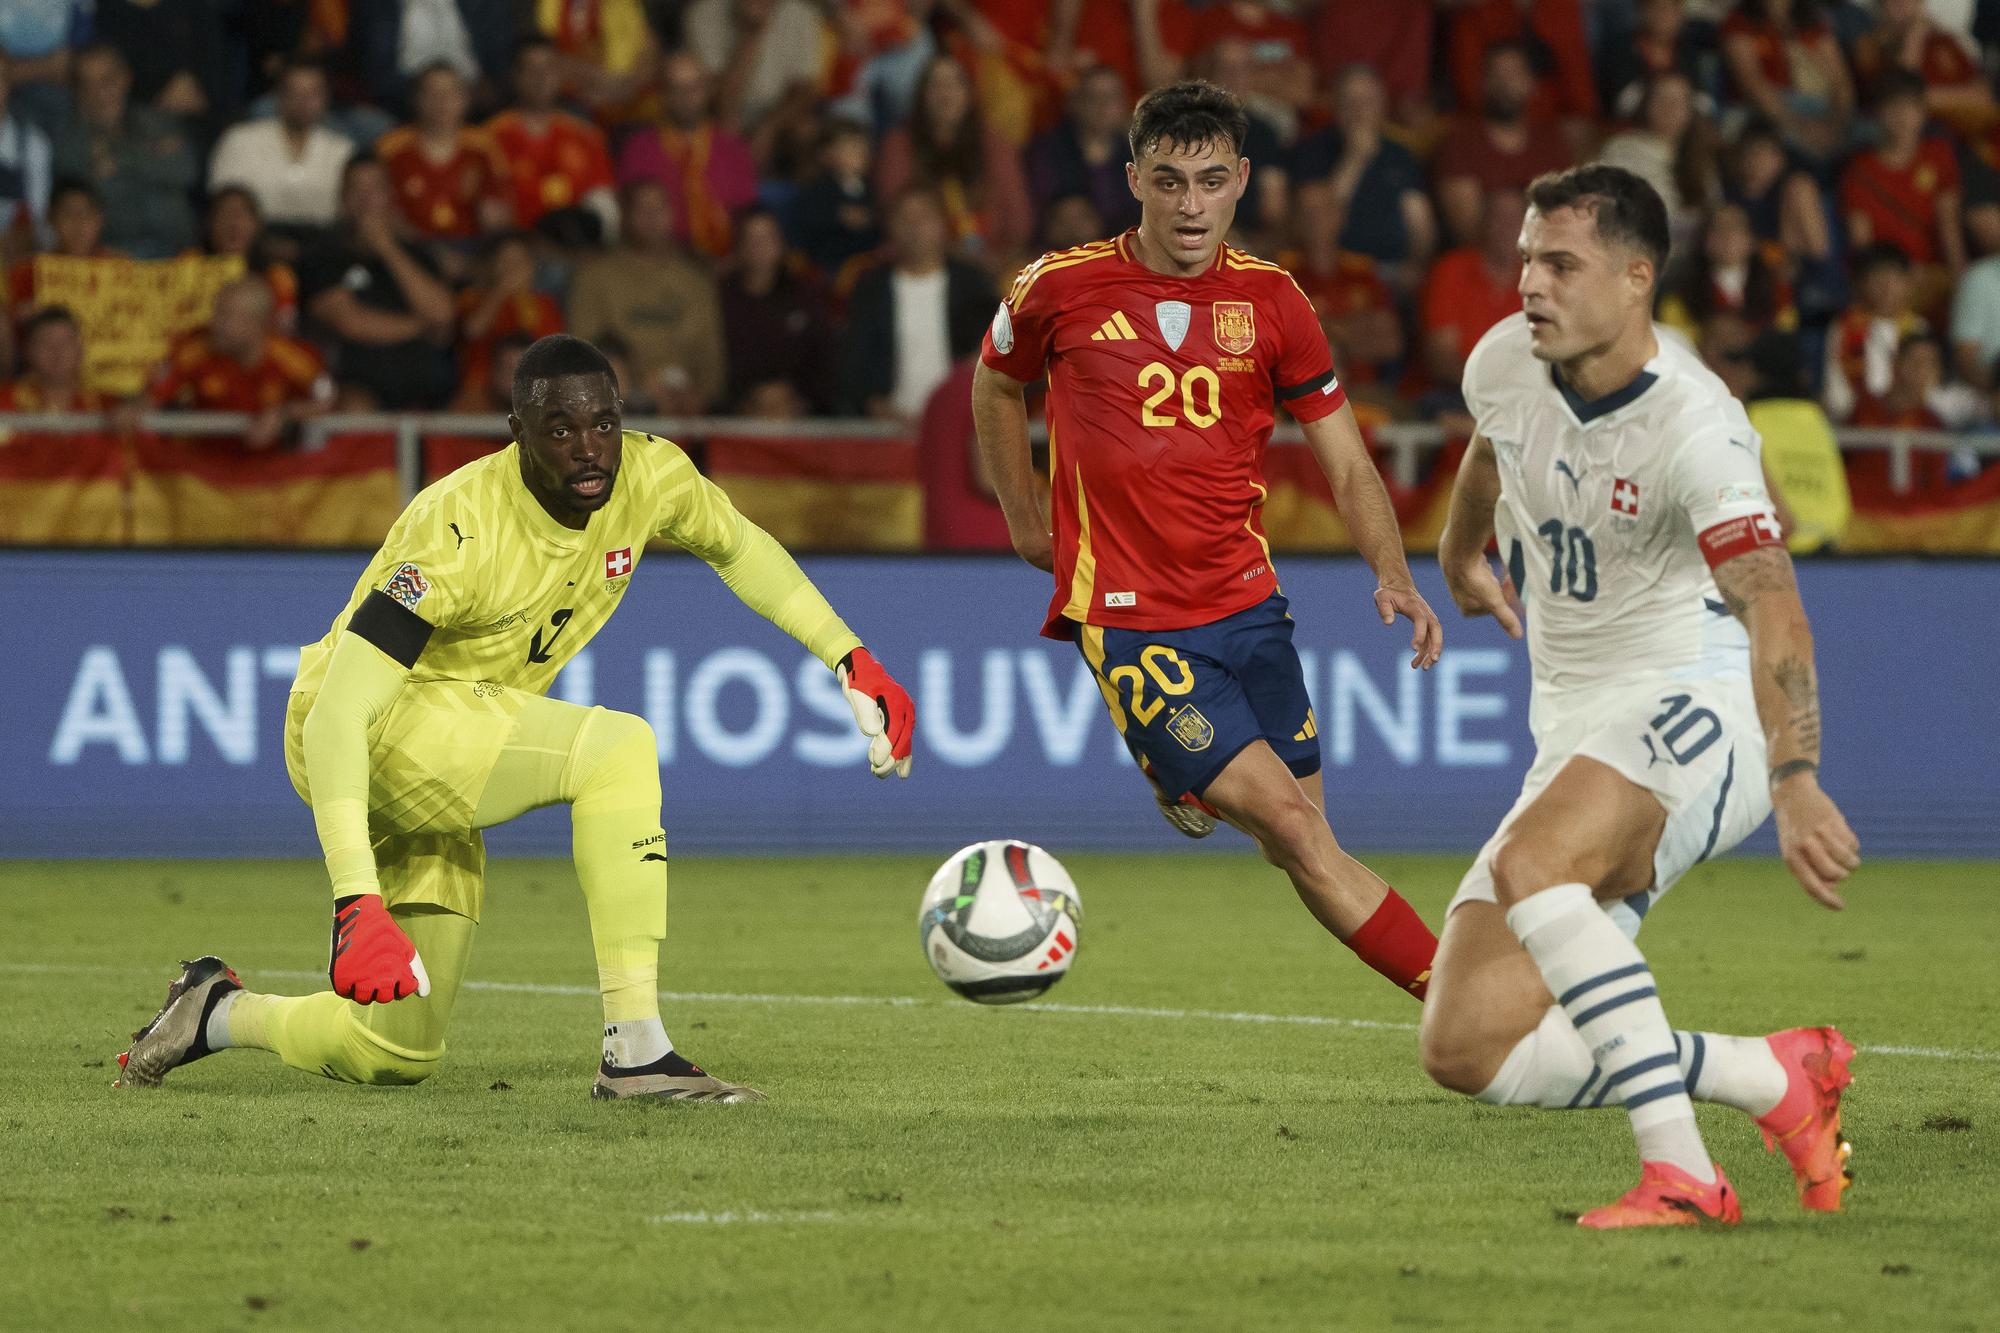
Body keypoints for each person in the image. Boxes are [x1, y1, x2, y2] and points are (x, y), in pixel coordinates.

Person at [114, 333, 917, 1102]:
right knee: (617, 749)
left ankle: (214, 1012)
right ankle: (636, 1050)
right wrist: (354, 899)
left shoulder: (651, 475)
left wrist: (852, 657)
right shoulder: (459, 529)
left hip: (453, 741)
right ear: (517, 434)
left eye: (603, 422)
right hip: (366, 729)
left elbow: (739, 547)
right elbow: (336, 716)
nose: (589, 447)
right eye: (559, 428)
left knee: (393, 1050)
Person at [1422, 163, 1860, 1228]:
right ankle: (1771, 1077)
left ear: (1633, 280)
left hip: (1692, 700)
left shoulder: (1695, 427)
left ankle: (1683, 1175)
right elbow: (1492, 438)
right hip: (1573, 724)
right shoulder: (1504, 359)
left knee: (1534, 861)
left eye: (1558, 263)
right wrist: (1456, 544)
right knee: (1468, 1043)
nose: (1530, 280)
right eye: (1526, 256)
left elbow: (1772, 606)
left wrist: (1792, 771)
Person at [970, 81, 1444, 1004]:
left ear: (1243, 183)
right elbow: (994, 385)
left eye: (1211, 181)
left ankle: (1179, 777)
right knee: (1303, 839)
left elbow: (1347, 460)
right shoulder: (1058, 286)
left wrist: (1394, 572)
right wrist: (1027, 521)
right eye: (1170, 180)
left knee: (1302, 835)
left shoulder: (1276, 301)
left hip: (1249, 606)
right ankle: (1479, 1010)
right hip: (1134, 620)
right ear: (1134, 180)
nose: (1191, 205)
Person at [295, 155, 456, 409]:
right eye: (357, 188)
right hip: (356, 389)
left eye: (375, 188)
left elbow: (442, 314)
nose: (366, 198)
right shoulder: (322, 255)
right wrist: (422, 327)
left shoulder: (417, 255)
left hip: (425, 395)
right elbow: (350, 322)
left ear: (390, 196)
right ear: (343, 199)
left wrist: (386, 248)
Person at [567, 179, 726, 415]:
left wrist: (701, 394)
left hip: (692, 415)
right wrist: (636, 390)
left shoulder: (696, 280)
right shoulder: (594, 277)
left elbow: (712, 355)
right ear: (625, 215)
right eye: (642, 208)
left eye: (659, 207)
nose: (652, 217)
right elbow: (583, 349)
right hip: (621, 409)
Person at [841, 186, 993, 422]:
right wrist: (876, 406)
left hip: (960, 427)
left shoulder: (972, 284)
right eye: (905, 218)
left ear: (943, 225)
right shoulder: (870, 288)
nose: (915, 227)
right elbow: (854, 361)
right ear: (890, 228)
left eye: (924, 217)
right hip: (890, 429)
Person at [49, 42, 198, 258]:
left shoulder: (157, 121)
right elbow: (79, 203)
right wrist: (152, 156)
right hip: (109, 258)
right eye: (86, 84)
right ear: (76, 92)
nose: (98, 93)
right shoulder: (68, 140)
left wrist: (119, 160)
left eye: (107, 80)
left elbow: (185, 170)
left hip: (176, 252)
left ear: (126, 78)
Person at [148, 277, 332, 448]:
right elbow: (152, 397)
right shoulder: (195, 347)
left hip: (271, 473)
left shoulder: (294, 358)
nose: (215, 323)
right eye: (216, 312)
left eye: (226, 316)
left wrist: (283, 413)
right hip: (201, 471)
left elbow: (327, 402)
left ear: (258, 324)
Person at [484, 37, 619, 239]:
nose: (541, 77)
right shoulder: (490, 138)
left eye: (549, 68)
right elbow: (490, 215)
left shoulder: (586, 136)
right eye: (531, 69)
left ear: (559, 74)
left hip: (578, 253)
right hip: (520, 250)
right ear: (516, 76)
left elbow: (605, 211)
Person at [206, 57, 353, 231]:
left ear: (326, 97)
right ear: (279, 95)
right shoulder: (240, 140)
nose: (303, 101)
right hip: (256, 242)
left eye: (312, 93)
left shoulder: (342, 150)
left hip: (323, 244)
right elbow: (222, 207)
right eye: (294, 92)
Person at [376, 62, 512, 241]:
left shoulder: (484, 147)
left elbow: (501, 211)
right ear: (416, 99)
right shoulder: (390, 148)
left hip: (473, 249)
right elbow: (380, 211)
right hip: (413, 248)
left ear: (464, 100)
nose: (442, 102)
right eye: (432, 93)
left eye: (450, 93)